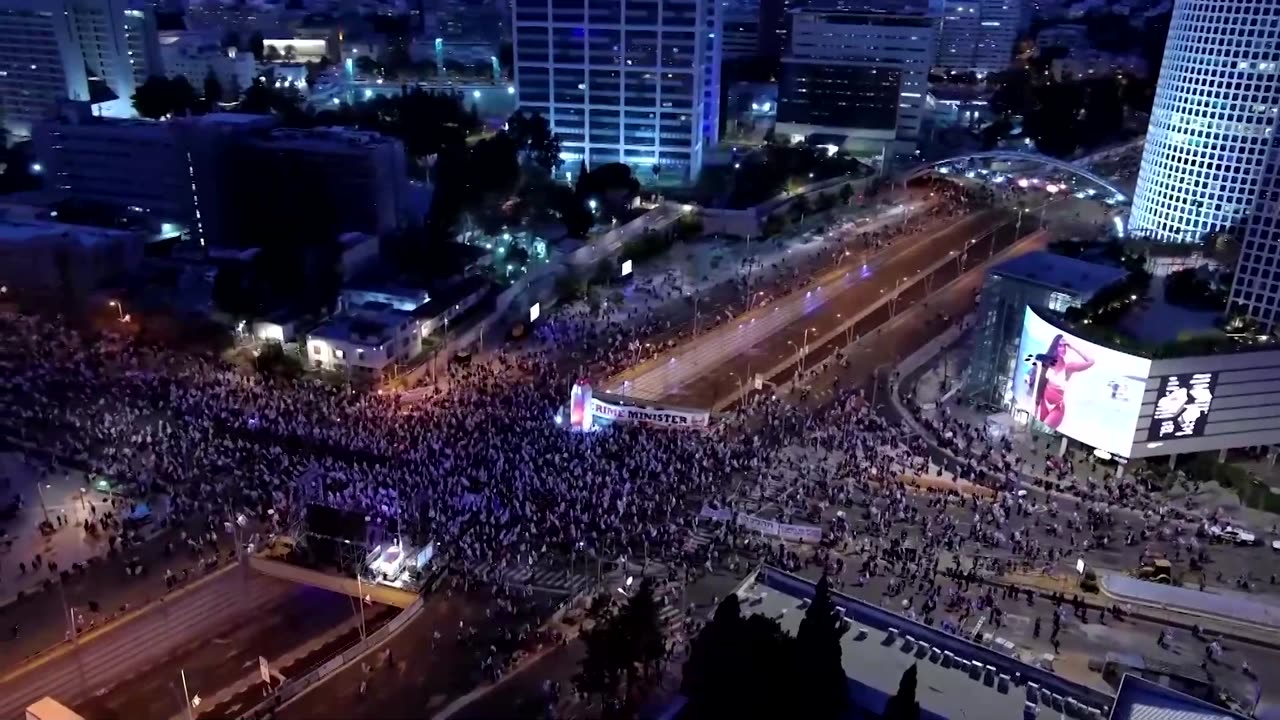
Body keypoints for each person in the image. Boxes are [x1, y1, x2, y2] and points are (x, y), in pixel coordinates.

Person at [1029, 335, 1095, 429]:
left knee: (1043, 429)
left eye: (1065, 346)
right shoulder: (1048, 363)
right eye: (1060, 345)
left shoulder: (1069, 367)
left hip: (1057, 408)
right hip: (1043, 403)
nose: (1063, 348)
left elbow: (1091, 362)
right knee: (1035, 430)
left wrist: (1072, 347)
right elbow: (1038, 381)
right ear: (1055, 346)